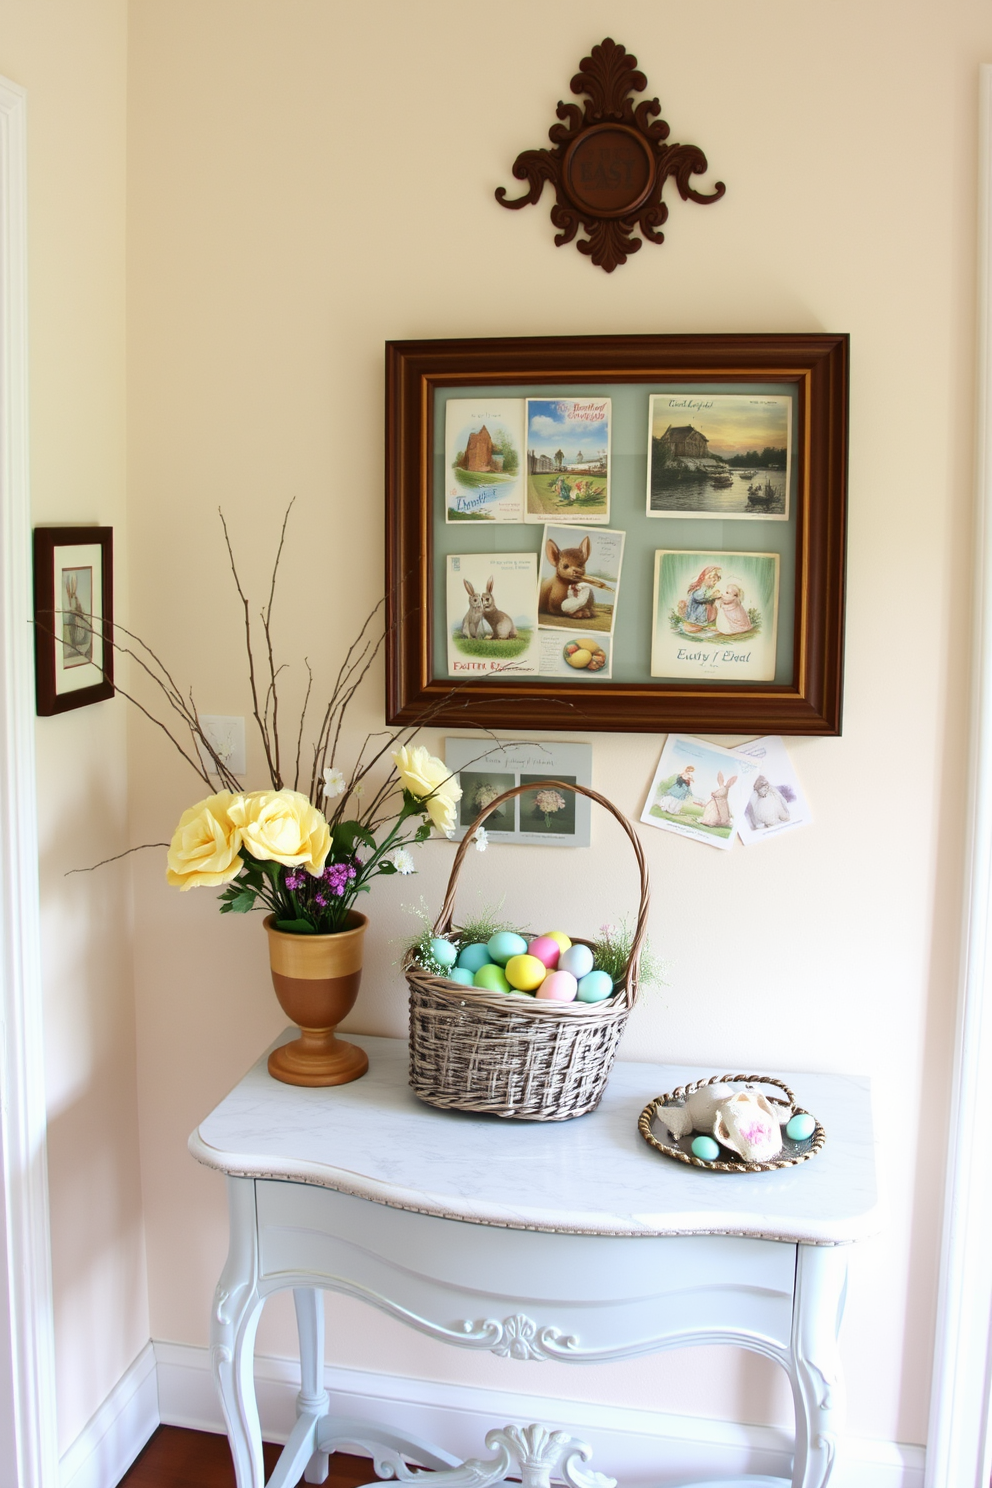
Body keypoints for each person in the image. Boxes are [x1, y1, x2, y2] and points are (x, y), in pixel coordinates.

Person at [682, 567, 721, 631]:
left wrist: (715, 596)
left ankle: (702, 624)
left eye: (716, 581)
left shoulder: (707, 589)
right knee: (698, 621)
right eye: (713, 580)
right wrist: (712, 596)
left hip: (702, 611)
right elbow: (698, 597)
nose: (715, 583)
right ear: (707, 578)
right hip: (696, 612)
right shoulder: (701, 588)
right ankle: (696, 624)